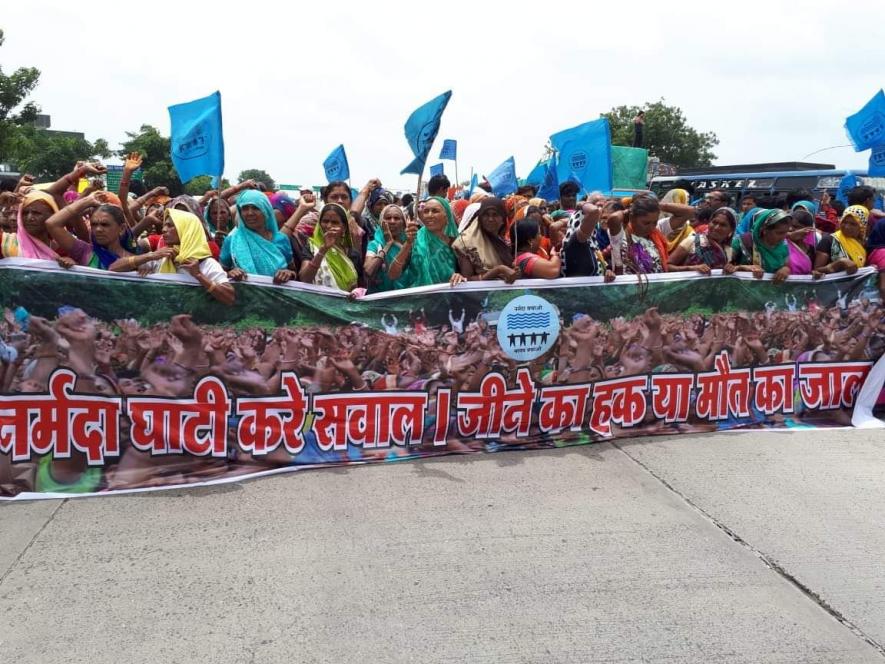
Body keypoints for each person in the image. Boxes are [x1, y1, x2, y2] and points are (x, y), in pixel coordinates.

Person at [109, 209, 235, 305]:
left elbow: (229, 298)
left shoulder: (206, 264)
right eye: (164, 225)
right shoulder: (161, 258)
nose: (163, 229)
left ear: (187, 230)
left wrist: (199, 276)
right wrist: (149, 256)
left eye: (170, 225)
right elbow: (113, 268)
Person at [221, 190, 297, 284]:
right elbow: (220, 273)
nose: (250, 213)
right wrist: (230, 273)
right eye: (245, 208)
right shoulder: (232, 240)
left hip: (276, 296)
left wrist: (288, 273)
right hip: (243, 296)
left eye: (256, 208)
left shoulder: (281, 239)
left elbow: (293, 271)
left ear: (266, 210)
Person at [45, 192, 136, 269]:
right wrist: (87, 201)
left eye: (105, 225)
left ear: (122, 228)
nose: (98, 229)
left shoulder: (137, 260)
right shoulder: (84, 251)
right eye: (94, 224)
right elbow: (52, 224)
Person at [397, 196, 465, 287]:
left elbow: (465, 275)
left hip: (449, 295)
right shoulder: (415, 238)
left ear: (446, 215)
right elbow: (393, 274)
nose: (429, 215)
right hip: (419, 297)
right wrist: (408, 244)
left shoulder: (457, 242)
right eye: (426, 211)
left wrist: (459, 276)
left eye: (435, 211)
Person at [296, 203, 360, 291]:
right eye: (325, 221)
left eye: (335, 222)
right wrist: (323, 250)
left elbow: (355, 287)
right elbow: (304, 279)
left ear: (344, 228)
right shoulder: (311, 247)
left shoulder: (353, 254)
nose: (329, 226)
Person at [452, 197, 518, 282]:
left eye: (495, 215)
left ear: (503, 219)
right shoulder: (466, 243)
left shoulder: (503, 241)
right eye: (486, 215)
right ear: (480, 218)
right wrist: (497, 270)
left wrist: (514, 272)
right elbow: (466, 280)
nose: (490, 219)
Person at [606, 195, 670, 274]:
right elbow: (614, 218)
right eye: (646, 223)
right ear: (632, 218)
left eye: (655, 222)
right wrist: (630, 210)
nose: (651, 227)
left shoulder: (655, 235)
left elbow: (688, 212)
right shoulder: (621, 234)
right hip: (630, 284)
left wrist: (656, 205)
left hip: (656, 284)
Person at [364, 204, 420, 292]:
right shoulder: (375, 245)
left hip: (403, 297)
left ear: (404, 223)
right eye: (388, 218)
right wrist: (387, 245)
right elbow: (368, 271)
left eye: (397, 218)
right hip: (378, 299)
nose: (392, 221)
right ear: (381, 222)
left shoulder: (411, 244)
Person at [731, 208, 795, 282]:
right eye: (779, 233)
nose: (784, 237)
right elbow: (725, 266)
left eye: (786, 232)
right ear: (764, 230)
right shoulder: (742, 242)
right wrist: (742, 268)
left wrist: (785, 269)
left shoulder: (783, 246)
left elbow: (786, 265)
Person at [668, 207, 736, 273]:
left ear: (731, 230)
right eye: (714, 222)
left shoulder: (728, 251)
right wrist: (690, 268)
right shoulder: (692, 241)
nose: (716, 227)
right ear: (709, 223)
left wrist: (730, 269)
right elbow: (667, 266)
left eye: (723, 225)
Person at [561, 203, 615, 280]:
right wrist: (582, 203)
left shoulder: (592, 242)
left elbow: (598, 267)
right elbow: (594, 211)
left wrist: (607, 272)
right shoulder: (576, 240)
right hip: (577, 290)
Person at [813, 205, 869, 277]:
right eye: (844, 222)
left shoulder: (863, 243)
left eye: (853, 224)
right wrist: (839, 263)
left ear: (862, 226)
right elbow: (816, 271)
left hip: (856, 286)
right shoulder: (829, 240)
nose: (847, 227)